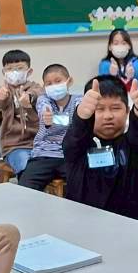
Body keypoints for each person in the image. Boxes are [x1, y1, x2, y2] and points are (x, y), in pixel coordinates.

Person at [63, 76, 138, 224]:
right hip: (85, 226)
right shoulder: (78, 146)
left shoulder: (136, 145)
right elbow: (76, 135)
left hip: (134, 226)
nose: (108, 116)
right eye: (99, 109)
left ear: (127, 111)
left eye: (116, 108)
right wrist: (81, 116)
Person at [20, 64, 81, 192]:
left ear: (69, 81)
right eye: (49, 83)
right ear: (44, 87)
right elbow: (43, 108)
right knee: (25, 187)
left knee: (82, 183)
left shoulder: (78, 100)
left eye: (58, 81)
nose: (54, 86)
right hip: (44, 154)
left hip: (69, 156)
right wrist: (46, 117)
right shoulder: (43, 100)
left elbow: (81, 114)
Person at [0, 49, 43, 179]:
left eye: (20, 68)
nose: (14, 72)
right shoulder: (3, 90)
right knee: (25, 164)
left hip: (39, 143)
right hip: (14, 146)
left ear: (29, 71)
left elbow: (38, 94)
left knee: (51, 163)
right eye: (10, 69)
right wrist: (2, 96)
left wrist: (29, 98)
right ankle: (29, 188)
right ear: (4, 73)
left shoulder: (36, 88)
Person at [99, 27, 138, 91]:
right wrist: (111, 76)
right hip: (115, 96)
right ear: (110, 47)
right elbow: (103, 84)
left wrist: (133, 74)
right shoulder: (105, 63)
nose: (120, 46)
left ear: (129, 46)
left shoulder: (137, 61)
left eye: (124, 43)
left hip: (135, 95)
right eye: (116, 43)